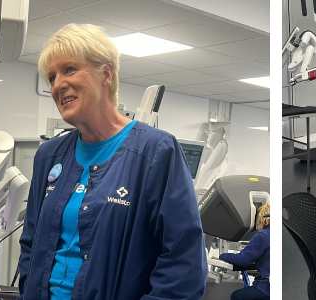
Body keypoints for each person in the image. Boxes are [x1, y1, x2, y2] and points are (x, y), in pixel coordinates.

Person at [16, 23, 207, 300]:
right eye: (52, 77)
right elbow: (31, 243)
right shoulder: (49, 156)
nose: (58, 84)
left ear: (106, 74)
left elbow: (184, 264)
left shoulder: (155, 152)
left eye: (69, 69)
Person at [218, 203, 270, 300]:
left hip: (267, 288)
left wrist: (223, 256)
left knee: (237, 296)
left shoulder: (263, 235)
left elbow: (243, 260)